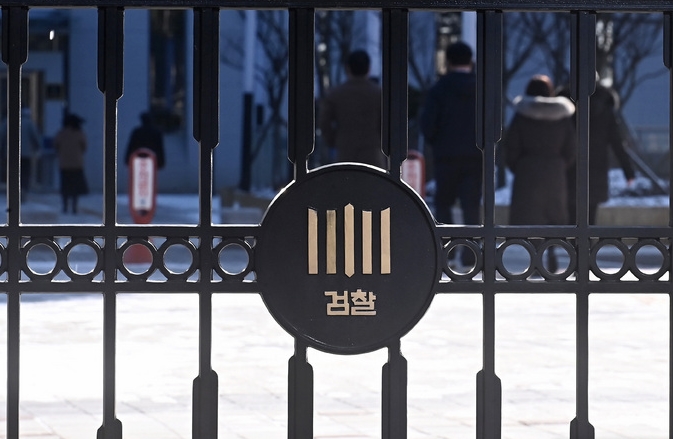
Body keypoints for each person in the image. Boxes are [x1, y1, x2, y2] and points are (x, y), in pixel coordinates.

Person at [502, 74, 576, 272]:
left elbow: (511, 147)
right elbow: (571, 149)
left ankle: (536, 260)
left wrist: (520, 166)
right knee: (552, 215)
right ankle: (551, 250)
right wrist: (560, 165)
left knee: (531, 217)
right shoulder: (562, 116)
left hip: (528, 172)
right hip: (554, 172)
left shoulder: (522, 115)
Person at [420, 41, 479, 266]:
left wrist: (437, 142)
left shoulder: (439, 89)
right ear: (470, 61)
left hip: (446, 156)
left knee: (444, 204)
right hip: (475, 156)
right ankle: (471, 253)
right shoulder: (480, 88)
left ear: (449, 61)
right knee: (471, 206)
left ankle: (448, 251)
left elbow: (428, 125)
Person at [562, 81, 635, 224]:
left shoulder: (567, 108)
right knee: (591, 213)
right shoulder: (606, 111)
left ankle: (572, 237)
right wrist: (628, 171)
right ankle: (587, 238)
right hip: (596, 167)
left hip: (571, 166)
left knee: (571, 212)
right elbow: (617, 144)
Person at [318, 50, 386, 168]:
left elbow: (324, 123)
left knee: (346, 179)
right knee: (374, 179)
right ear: (368, 68)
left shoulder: (336, 94)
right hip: (373, 153)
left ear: (348, 68)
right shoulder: (379, 94)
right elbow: (387, 123)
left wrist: (334, 140)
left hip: (345, 152)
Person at [54, 113, 88, 214]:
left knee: (65, 186)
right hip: (77, 164)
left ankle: (65, 206)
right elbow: (84, 146)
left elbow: (55, 145)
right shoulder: (79, 133)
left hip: (64, 164)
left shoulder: (61, 133)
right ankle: (74, 206)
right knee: (75, 188)